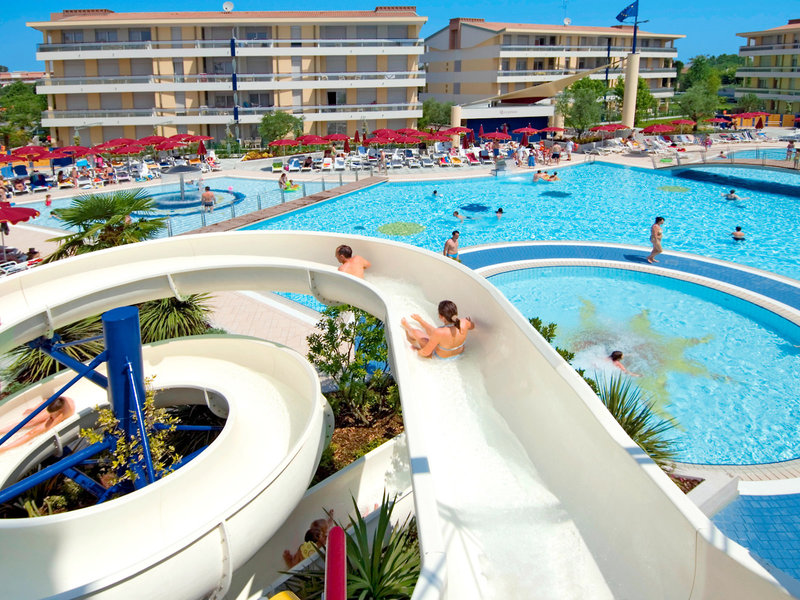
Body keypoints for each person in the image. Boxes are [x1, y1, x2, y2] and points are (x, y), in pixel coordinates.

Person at [401, 300, 475, 360]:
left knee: (416, 332)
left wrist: (416, 351)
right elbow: (472, 326)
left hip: (441, 358)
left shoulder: (439, 332)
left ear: (441, 316)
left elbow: (426, 353)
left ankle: (407, 327)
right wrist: (468, 322)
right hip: (459, 354)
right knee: (437, 333)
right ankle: (421, 321)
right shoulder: (465, 323)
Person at [0, 396, 75, 452]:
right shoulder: (58, 399)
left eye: (52, 414)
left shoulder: (63, 414)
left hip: (59, 415)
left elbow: (50, 430)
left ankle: (5, 449)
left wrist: (37, 441)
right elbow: (46, 401)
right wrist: (34, 408)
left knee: (32, 432)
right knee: (30, 422)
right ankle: (1, 431)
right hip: (56, 409)